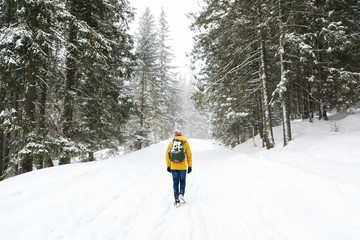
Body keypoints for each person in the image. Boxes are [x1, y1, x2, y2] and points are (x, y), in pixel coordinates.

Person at [166, 129, 192, 206]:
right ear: (181, 135)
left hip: (173, 166)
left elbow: (167, 156)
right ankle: (181, 193)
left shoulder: (171, 143)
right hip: (182, 167)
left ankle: (176, 200)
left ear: (175, 135)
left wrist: (168, 165)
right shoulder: (185, 143)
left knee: (175, 182)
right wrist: (189, 166)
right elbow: (189, 155)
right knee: (182, 181)